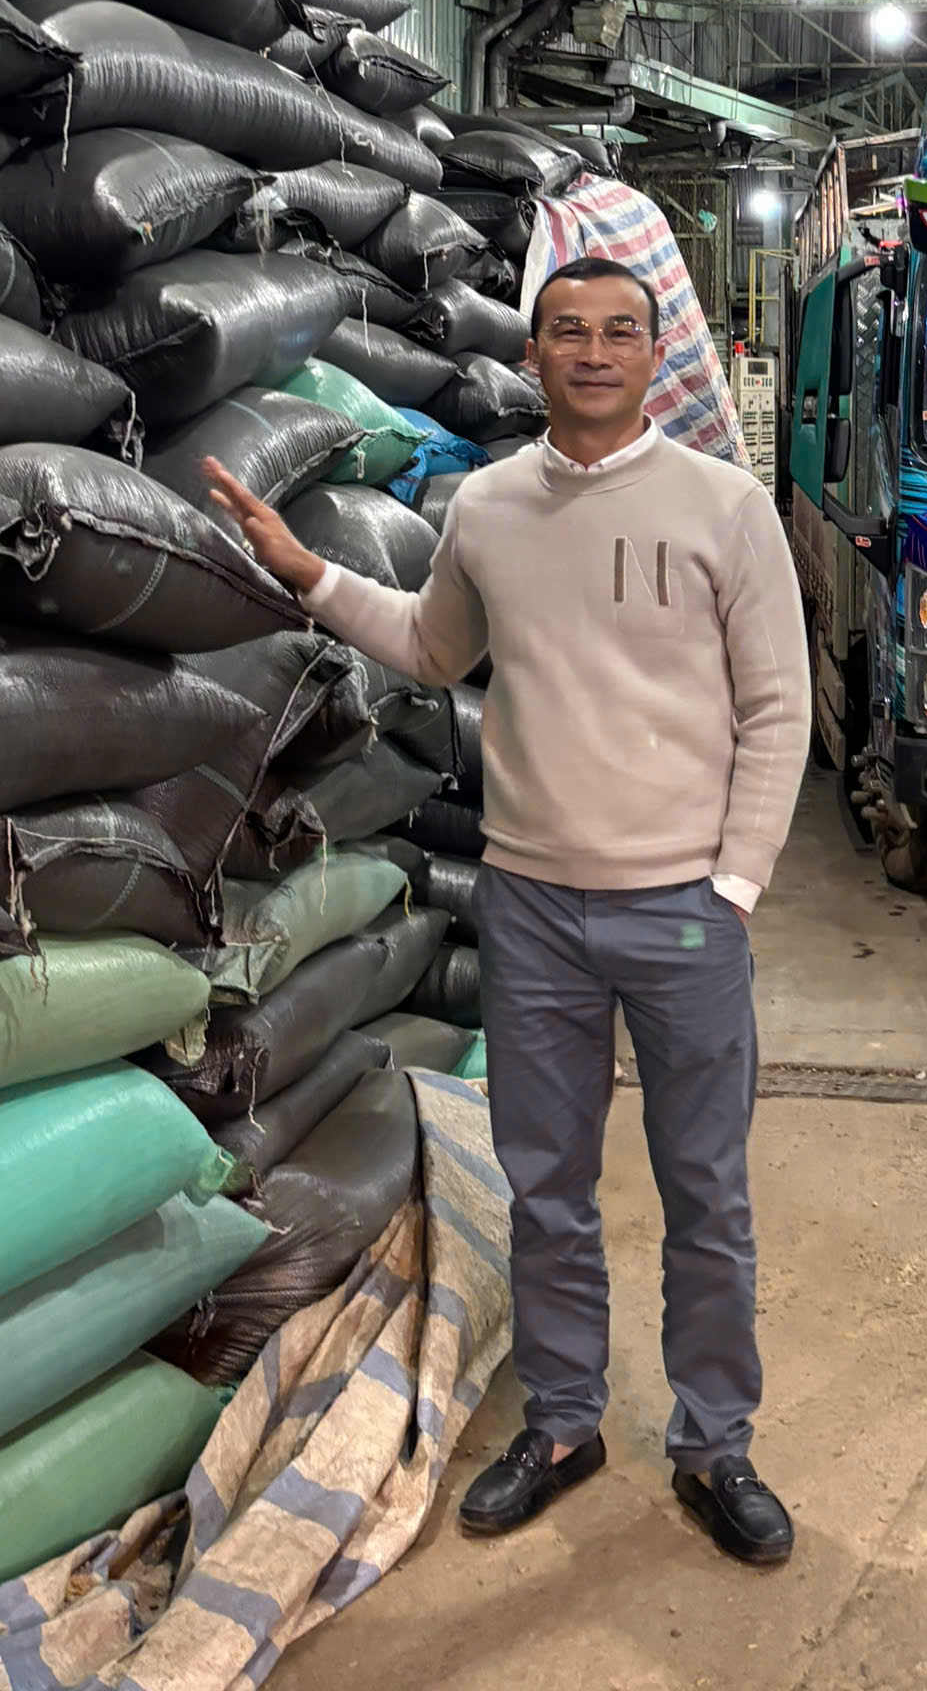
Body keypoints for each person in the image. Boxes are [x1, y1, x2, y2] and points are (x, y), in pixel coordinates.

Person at [206, 257, 811, 1563]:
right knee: (548, 1186)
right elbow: (437, 650)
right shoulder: (488, 506)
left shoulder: (724, 507)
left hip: (683, 911)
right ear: (533, 357)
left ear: (654, 353)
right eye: (568, 332)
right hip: (532, 904)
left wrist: (735, 883)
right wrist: (308, 572)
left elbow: (779, 706)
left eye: (619, 331)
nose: (593, 351)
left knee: (707, 1191)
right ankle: (564, 1420)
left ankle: (716, 1442)